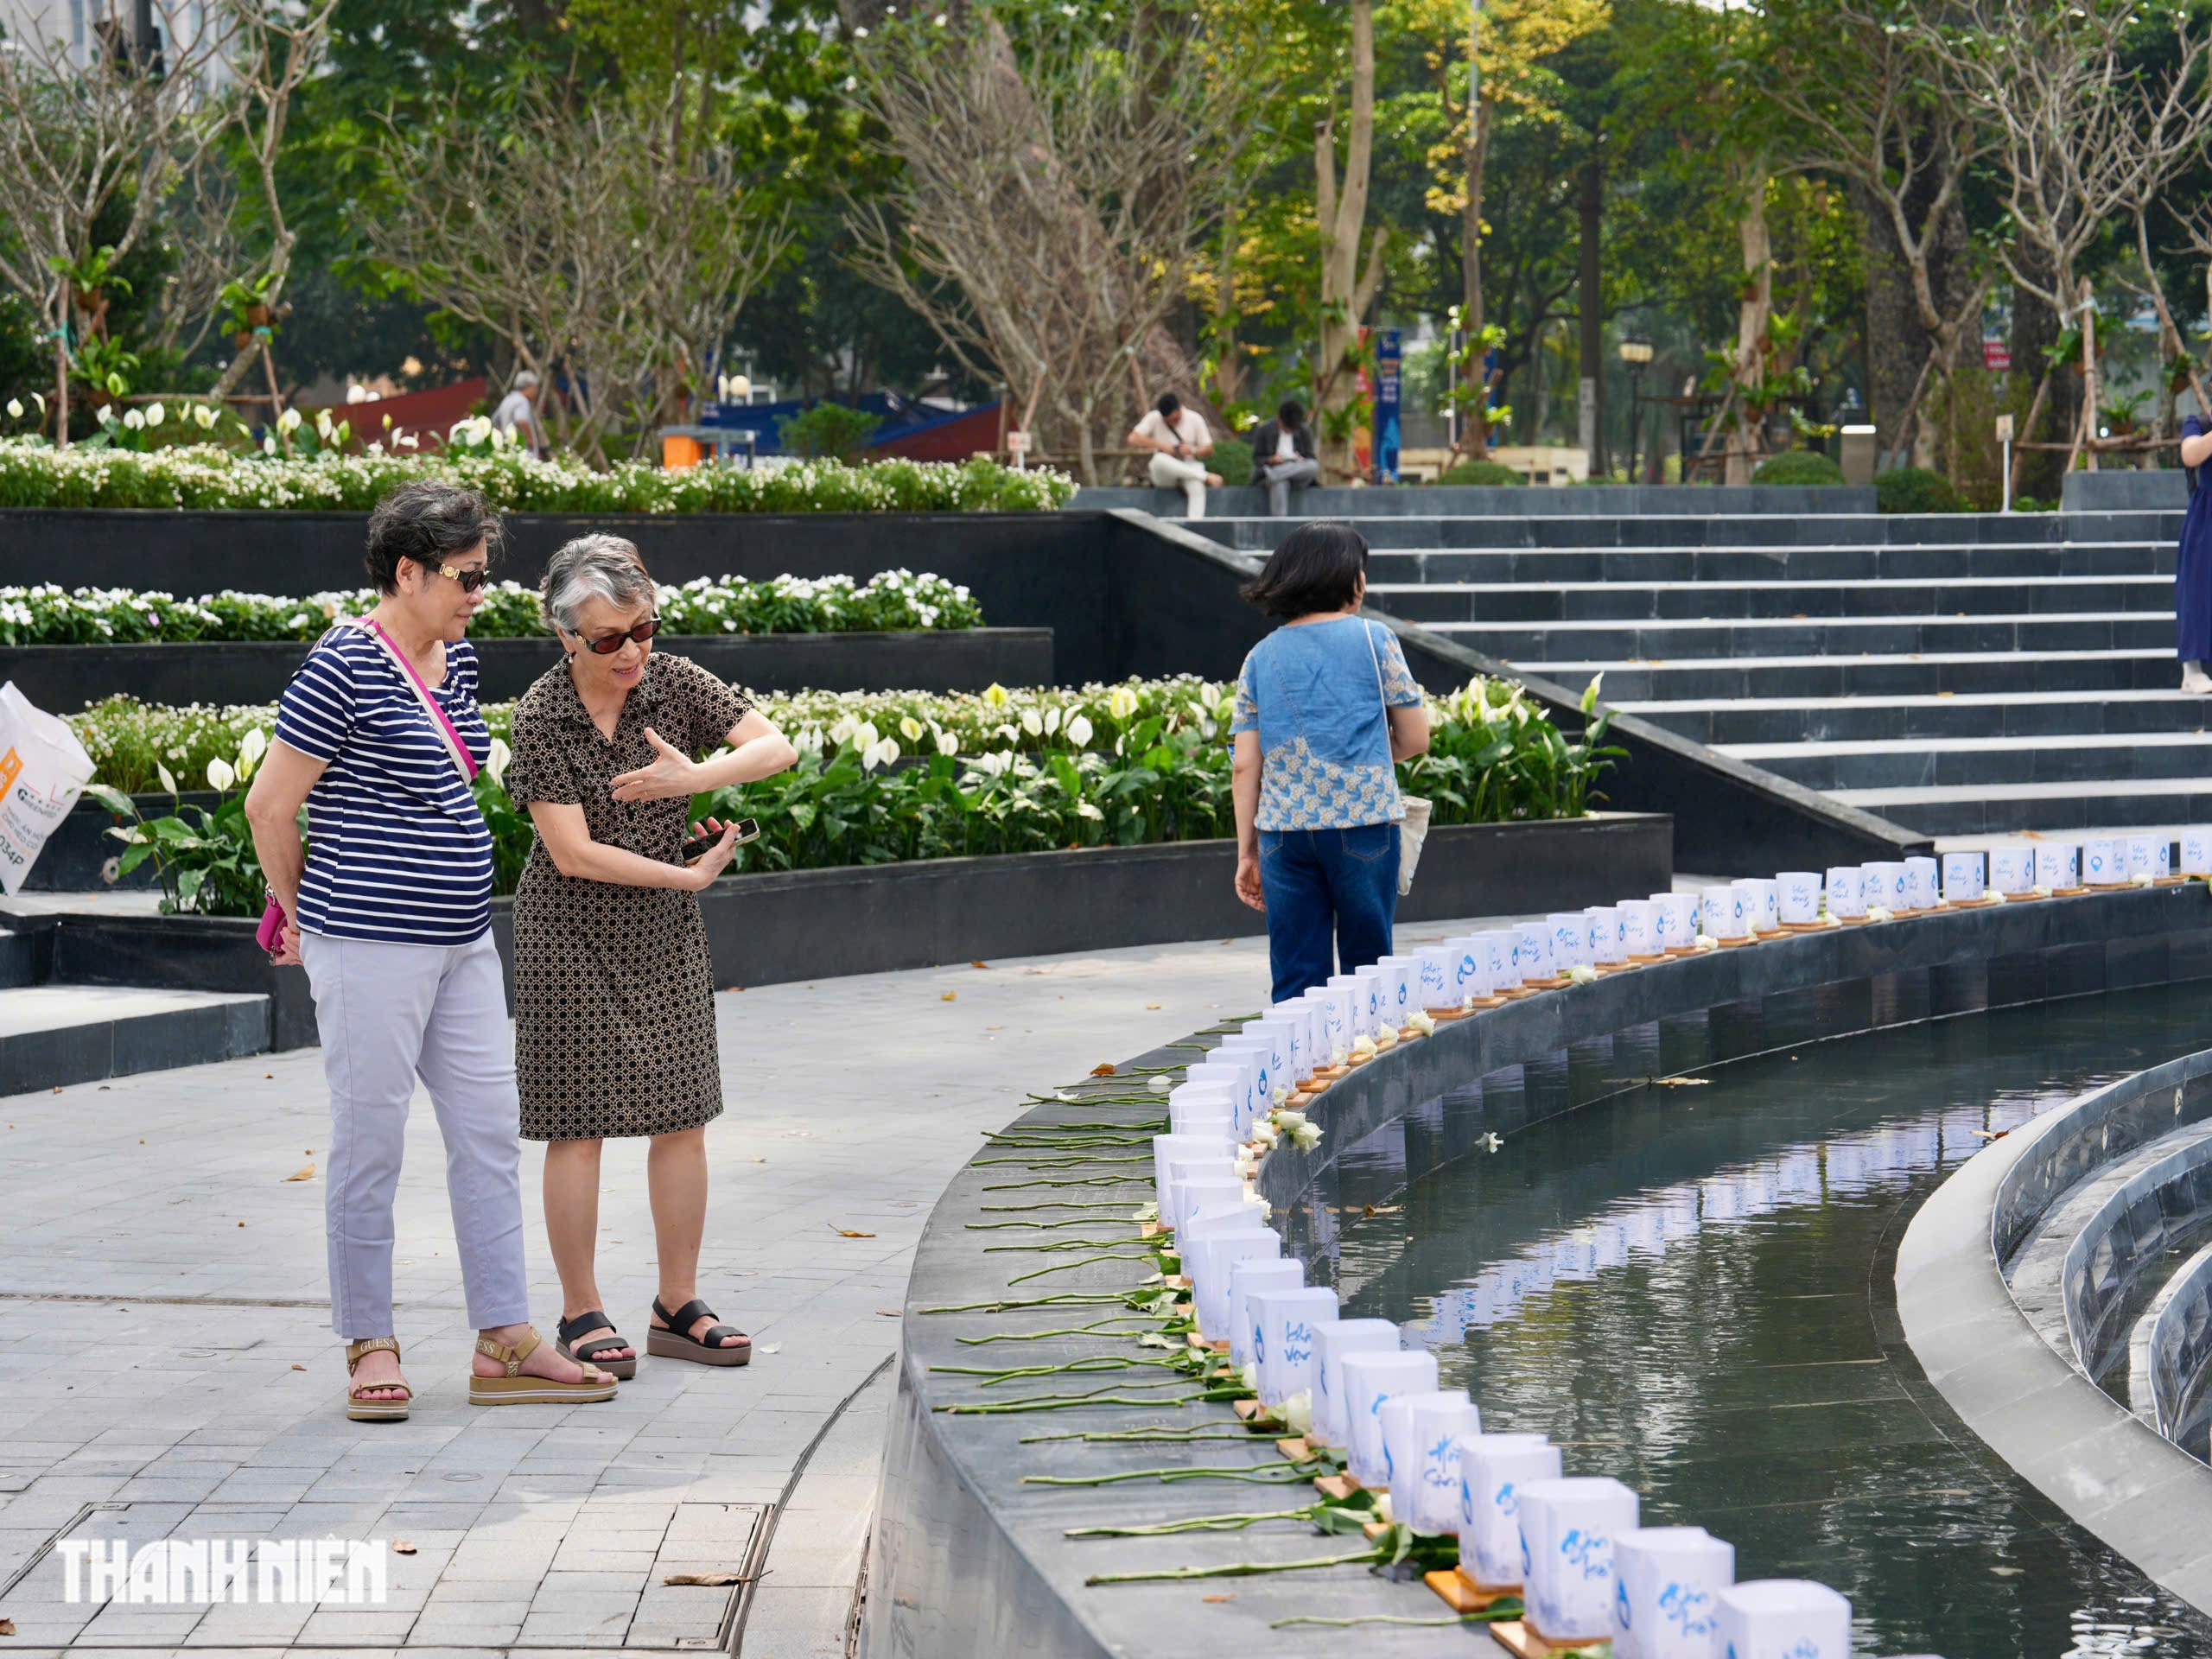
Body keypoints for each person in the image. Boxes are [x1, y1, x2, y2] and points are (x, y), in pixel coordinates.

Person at [245, 480, 619, 1420]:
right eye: (466, 577)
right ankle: (370, 1341)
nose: (478, 594)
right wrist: (299, 915)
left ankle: (503, 1336)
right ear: (406, 573)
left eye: (484, 577)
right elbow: (269, 804)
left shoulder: (456, 660)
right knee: (371, 1143)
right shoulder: (344, 665)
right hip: (368, 942)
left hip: (461, 942)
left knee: (489, 1134)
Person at [502, 534, 799, 1375]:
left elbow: (776, 748)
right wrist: (683, 875)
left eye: (643, 629)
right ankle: (580, 1311)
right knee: (577, 1127)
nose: (631, 651)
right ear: (565, 636)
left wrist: (691, 782)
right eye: (607, 639)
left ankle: (677, 1303)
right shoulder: (542, 714)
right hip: (569, 928)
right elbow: (572, 853)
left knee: (682, 1115)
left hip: (663, 926)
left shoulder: (672, 683)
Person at [1230, 521, 1429, 1004]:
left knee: (1297, 978)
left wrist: (1247, 853)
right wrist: (1369, 761)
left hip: (1285, 833)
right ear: (1348, 578)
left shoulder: (1260, 656)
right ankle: (1364, 1073)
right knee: (1368, 970)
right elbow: (1416, 738)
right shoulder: (1375, 639)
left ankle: (1303, 1077)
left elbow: (1244, 766)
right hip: (1365, 824)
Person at [1128, 391, 1221, 518]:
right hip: (1165, 473)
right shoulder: (1154, 417)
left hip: (1189, 467)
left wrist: (1192, 450)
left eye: (1175, 420)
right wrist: (1162, 446)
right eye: (1168, 422)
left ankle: (1195, 524)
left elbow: (1209, 450)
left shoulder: (1195, 418)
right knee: (1158, 459)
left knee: (1197, 487)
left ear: (1180, 409)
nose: (1172, 424)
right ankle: (1205, 476)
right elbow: (1133, 438)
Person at [2179, 413, 2212, 692]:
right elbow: (2190, 454)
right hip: (2206, 515)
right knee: (2198, 588)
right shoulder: (2198, 424)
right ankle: (2191, 670)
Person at [1247, 399, 1320, 517]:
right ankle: (1280, 521)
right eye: (1286, 427)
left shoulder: (1304, 431)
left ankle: (1273, 474)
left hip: (1295, 472)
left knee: (1313, 465)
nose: (1288, 431)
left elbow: (1310, 457)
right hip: (1274, 469)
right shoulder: (1265, 430)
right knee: (1280, 482)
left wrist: (1300, 459)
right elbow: (1257, 459)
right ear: (1278, 418)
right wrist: (1271, 460)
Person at [492, 371, 544, 458]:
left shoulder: (508, 399)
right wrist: (531, 441)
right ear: (529, 386)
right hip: (522, 452)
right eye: (536, 388)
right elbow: (522, 421)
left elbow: (495, 422)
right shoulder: (522, 401)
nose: (536, 391)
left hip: (508, 450)